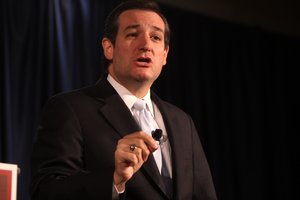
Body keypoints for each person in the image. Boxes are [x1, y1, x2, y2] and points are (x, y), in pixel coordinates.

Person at [30, 0, 217, 199]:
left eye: (155, 37)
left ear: (164, 54)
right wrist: (114, 178)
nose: (146, 45)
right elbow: (46, 191)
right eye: (133, 34)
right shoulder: (70, 109)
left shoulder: (182, 122)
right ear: (109, 48)